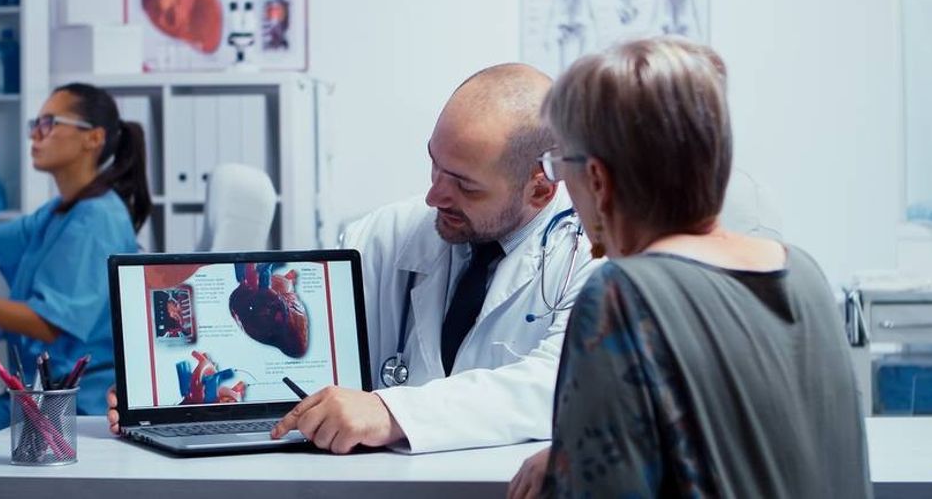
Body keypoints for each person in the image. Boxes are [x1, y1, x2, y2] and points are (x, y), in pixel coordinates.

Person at [107, 63, 601, 453]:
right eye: (434, 164)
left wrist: (392, 412)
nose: (433, 197)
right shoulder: (387, 233)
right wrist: (168, 401)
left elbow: (556, 387)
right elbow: (306, 354)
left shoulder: (592, 253)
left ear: (540, 187)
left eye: (464, 185)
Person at [508, 37, 870, 498]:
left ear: (598, 179)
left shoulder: (621, 295)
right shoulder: (805, 276)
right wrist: (573, 450)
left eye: (560, 165)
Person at [0, 83, 151, 448]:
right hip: (37, 396)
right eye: (35, 124)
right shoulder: (59, 211)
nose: (34, 135)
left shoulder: (95, 219)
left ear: (93, 138)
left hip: (70, 411)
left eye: (49, 123)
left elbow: (46, 325)